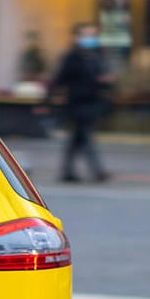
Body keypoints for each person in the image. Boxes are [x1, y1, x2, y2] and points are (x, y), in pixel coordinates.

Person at [49, 22, 113, 183]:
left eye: (92, 35)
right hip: (77, 102)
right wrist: (49, 97)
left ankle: (67, 171)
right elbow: (60, 78)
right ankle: (97, 171)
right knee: (85, 135)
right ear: (77, 37)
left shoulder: (98, 56)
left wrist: (105, 81)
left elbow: (103, 77)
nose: (89, 38)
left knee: (77, 138)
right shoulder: (72, 57)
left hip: (93, 101)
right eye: (86, 35)